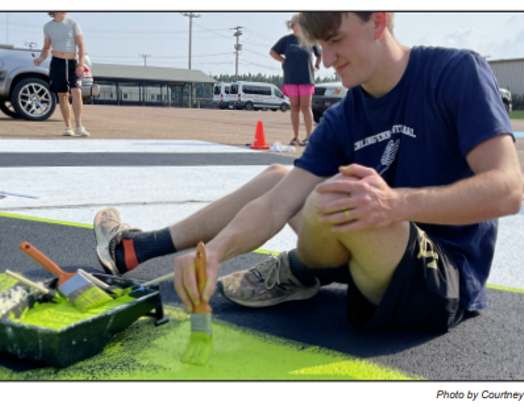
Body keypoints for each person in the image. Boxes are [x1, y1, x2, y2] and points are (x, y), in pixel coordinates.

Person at [94, 12, 522, 332]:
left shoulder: (455, 72)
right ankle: (136, 248)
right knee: (281, 178)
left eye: (335, 41)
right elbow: (278, 203)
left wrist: (396, 204)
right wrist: (216, 253)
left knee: (330, 194)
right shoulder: (342, 116)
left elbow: (509, 189)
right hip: (369, 253)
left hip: (442, 278)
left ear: (380, 21)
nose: (327, 60)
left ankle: (299, 267)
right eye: (320, 46)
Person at [34, 12, 90, 137]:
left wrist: (81, 64)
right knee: (62, 95)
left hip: (72, 63)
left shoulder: (73, 24)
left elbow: (80, 45)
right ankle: (68, 127)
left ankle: (79, 126)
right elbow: (47, 47)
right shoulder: (47, 27)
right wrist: (40, 58)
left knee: (77, 92)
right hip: (57, 62)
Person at [270, 14, 322, 146]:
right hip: (291, 78)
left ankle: (310, 137)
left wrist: (316, 66)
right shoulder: (286, 40)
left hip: (307, 78)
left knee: (306, 107)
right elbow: (273, 52)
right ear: (294, 25)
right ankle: (296, 137)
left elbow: (320, 53)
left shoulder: (310, 40)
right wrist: (283, 60)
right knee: (294, 107)